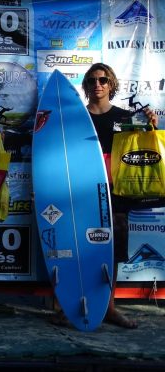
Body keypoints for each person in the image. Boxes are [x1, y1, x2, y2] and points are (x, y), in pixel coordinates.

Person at [51, 62, 158, 329]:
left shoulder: (125, 118)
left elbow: (146, 148)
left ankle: (109, 308)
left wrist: (151, 126)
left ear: (111, 84)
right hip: (80, 192)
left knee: (111, 251)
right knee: (78, 249)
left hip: (115, 194)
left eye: (102, 80)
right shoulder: (76, 117)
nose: (97, 85)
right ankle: (69, 307)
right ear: (85, 87)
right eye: (92, 81)